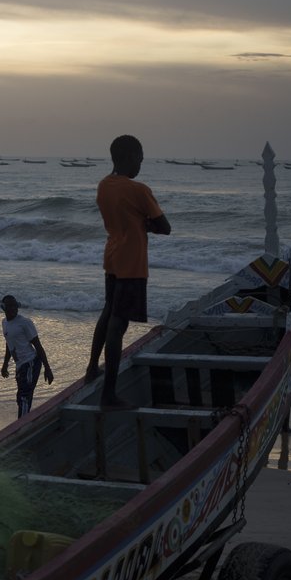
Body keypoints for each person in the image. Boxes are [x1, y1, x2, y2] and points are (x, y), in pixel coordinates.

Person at [85, 134, 171, 408]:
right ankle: (109, 393)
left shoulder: (104, 186)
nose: (141, 165)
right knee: (118, 323)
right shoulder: (139, 190)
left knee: (108, 311)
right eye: (140, 159)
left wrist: (142, 222)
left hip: (112, 256)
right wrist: (147, 223)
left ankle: (91, 369)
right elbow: (165, 227)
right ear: (130, 157)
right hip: (133, 261)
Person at [0, 295, 52, 418]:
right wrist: (5, 364)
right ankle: (24, 421)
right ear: (3, 308)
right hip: (20, 365)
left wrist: (47, 368)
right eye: (10, 306)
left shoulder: (25, 323)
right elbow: (9, 344)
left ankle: (21, 426)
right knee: (21, 397)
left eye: (15, 306)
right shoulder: (5, 323)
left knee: (24, 397)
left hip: (30, 363)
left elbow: (38, 346)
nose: (13, 309)